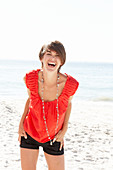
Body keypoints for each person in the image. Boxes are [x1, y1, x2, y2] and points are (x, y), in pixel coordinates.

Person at [18, 40, 79, 170]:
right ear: (41, 58)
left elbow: (68, 104)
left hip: (54, 137)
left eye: (57, 55)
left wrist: (64, 129)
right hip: (29, 133)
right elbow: (30, 100)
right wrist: (21, 124)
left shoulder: (70, 85)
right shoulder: (30, 78)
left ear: (62, 61)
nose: (52, 58)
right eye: (49, 54)